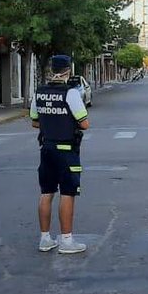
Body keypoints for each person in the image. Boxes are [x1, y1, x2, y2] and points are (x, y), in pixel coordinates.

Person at [30, 55, 90, 254]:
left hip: (46, 149)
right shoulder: (71, 93)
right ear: (68, 71)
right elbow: (84, 123)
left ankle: (45, 238)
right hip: (66, 151)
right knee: (67, 193)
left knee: (46, 192)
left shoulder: (39, 92)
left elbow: (35, 121)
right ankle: (66, 240)